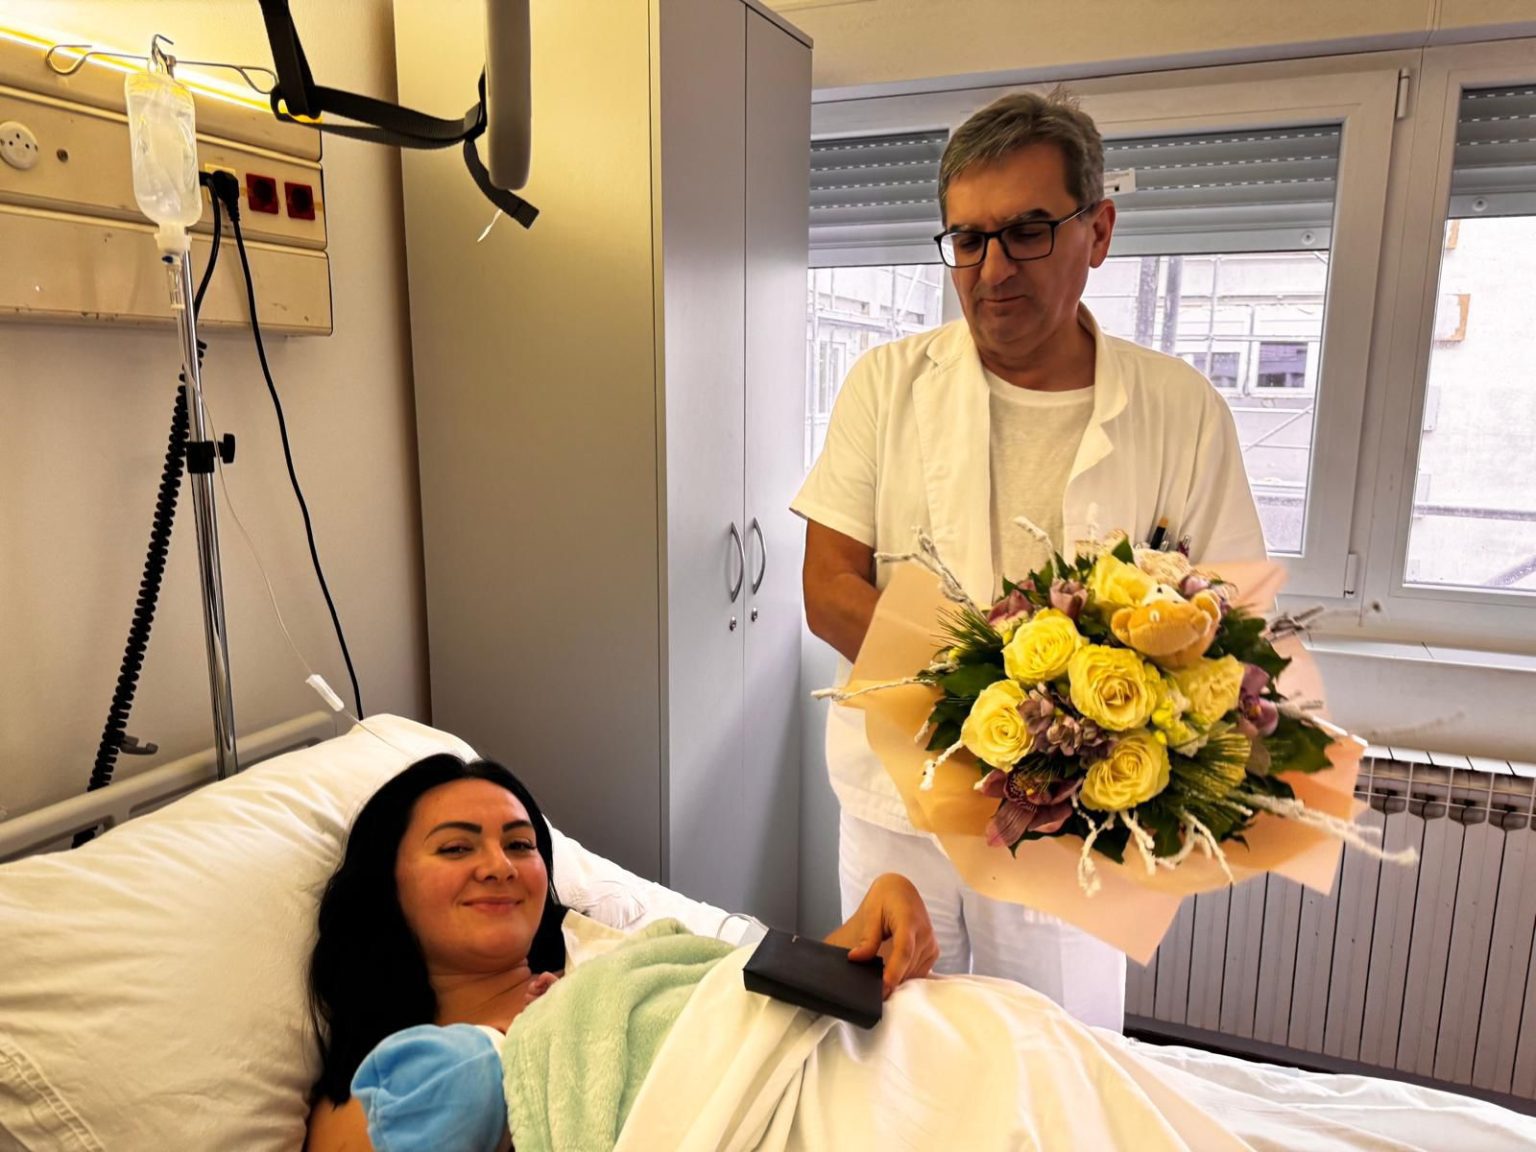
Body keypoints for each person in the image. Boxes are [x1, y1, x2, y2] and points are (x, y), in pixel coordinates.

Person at [792, 89, 1267, 1031]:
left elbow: (1233, 620)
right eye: (968, 239)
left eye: (1027, 231)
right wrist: (993, 697)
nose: (992, 268)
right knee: (898, 1053)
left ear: (1099, 231)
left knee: (1056, 1060)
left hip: (1078, 822)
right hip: (900, 809)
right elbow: (827, 588)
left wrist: (1077, 732)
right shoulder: (886, 385)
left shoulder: (1180, 409)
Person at [303, 753, 939, 1151]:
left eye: (520, 845)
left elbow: (749, 1009)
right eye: (456, 848)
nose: (499, 866)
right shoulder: (383, 1097)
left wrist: (879, 913)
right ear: (386, 885)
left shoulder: (615, 968)